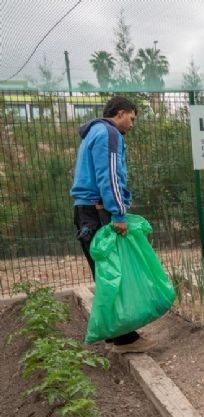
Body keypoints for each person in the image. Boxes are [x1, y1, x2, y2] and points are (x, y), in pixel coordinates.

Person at [70, 95, 152, 352]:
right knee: (112, 273)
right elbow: (110, 176)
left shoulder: (92, 133)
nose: (131, 125)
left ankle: (117, 335)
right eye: (132, 118)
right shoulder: (109, 133)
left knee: (105, 272)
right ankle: (124, 339)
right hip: (98, 212)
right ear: (120, 113)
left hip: (85, 210)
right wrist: (118, 213)